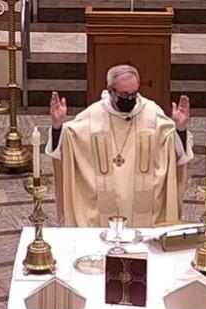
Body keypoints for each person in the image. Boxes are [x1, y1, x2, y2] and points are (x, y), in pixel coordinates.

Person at [46, 64, 193, 227]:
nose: (130, 99)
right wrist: (57, 125)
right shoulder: (94, 115)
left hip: (146, 208)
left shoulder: (151, 112)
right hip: (101, 210)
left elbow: (174, 151)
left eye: (134, 94)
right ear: (110, 91)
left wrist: (179, 128)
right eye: (124, 94)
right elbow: (67, 144)